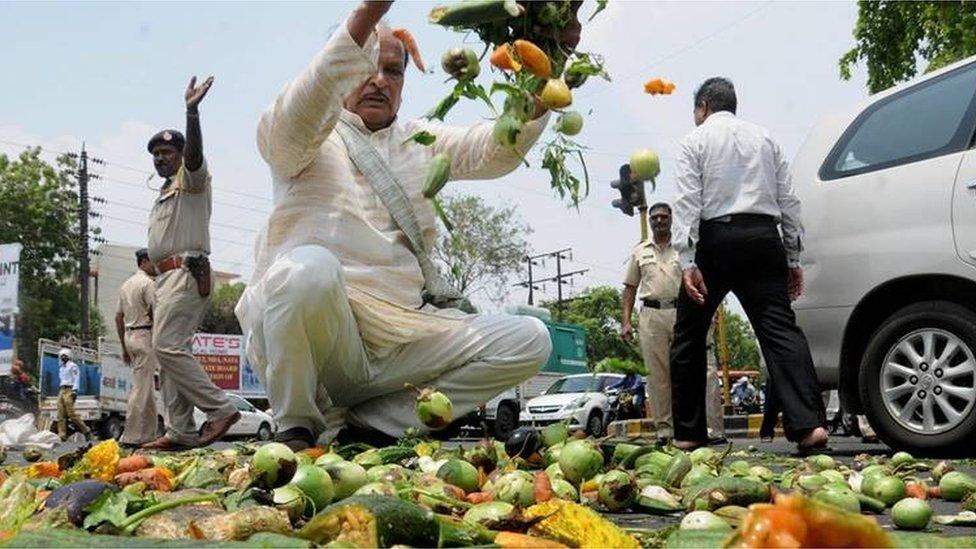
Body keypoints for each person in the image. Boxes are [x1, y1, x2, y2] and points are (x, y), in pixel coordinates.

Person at [234, 0, 581, 450]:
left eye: (394, 72)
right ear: (340, 69)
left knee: (530, 339)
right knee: (308, 271)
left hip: (402, 339)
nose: (380, 81)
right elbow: (298, 114)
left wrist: (546, 61)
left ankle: (376, 424)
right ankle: (297, 427)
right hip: (322, 343)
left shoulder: (421, 140)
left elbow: (493, 149)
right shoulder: (305, 134)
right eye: (366, 66)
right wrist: (365, 15)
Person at [669, 77, 828, 453]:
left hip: (715, 240)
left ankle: (689, 433)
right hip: (762, 237)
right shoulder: (766, 138)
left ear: (703, 107)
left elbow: (688, 201)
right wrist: (793, 256)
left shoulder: (695, 140)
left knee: (689, 336)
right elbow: (789, 200)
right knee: (780, 330)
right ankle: (809, 427)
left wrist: (687, 259)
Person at [141, 77, 240, 449]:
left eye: (167, 152)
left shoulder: (192, 179)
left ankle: (220, 410)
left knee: (167, 347)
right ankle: (180, 430)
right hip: (165, 279)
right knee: (168, 354)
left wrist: (192, 112)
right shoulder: (165, 192)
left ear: (181, 156)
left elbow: (196, 157)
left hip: (187, 272)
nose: (160, 158)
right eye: (155, 154)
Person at [621, 203, 726, 444]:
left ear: (671, 220)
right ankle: (665, 430)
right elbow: (629, 289)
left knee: (703, 369)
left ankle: (712, 428)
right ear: (650, 222)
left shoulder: (686, 247)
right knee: (658, 375)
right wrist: (625, 322)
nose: (659, 221)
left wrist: (711, 312)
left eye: (664, 217)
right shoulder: (640, 251)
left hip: (686, 313)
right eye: (655, 218)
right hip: (651, 316)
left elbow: (704, 281)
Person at [115, 248, 159, 446]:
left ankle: (150, 435)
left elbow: (118, 316)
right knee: (141, 388)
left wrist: (124, 347)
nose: (156, 266)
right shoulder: (148, 283)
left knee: (147, 387)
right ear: (144, 261)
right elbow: (156, 312)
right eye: (154, 262)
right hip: (144, 335)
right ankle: (130, 436)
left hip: (129, 335)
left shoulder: (126, 285)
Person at [56, 348, 93, 441]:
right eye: (61, 356)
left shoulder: (73, 366)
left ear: (68, 356)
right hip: (62, 390)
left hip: (69, 389)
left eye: (65, 355)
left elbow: (76, 378)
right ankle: (62, 435)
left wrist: (75, 390)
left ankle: (86, 430)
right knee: (60, 414)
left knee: (71, 414)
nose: (63, 357)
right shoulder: (61, 368)